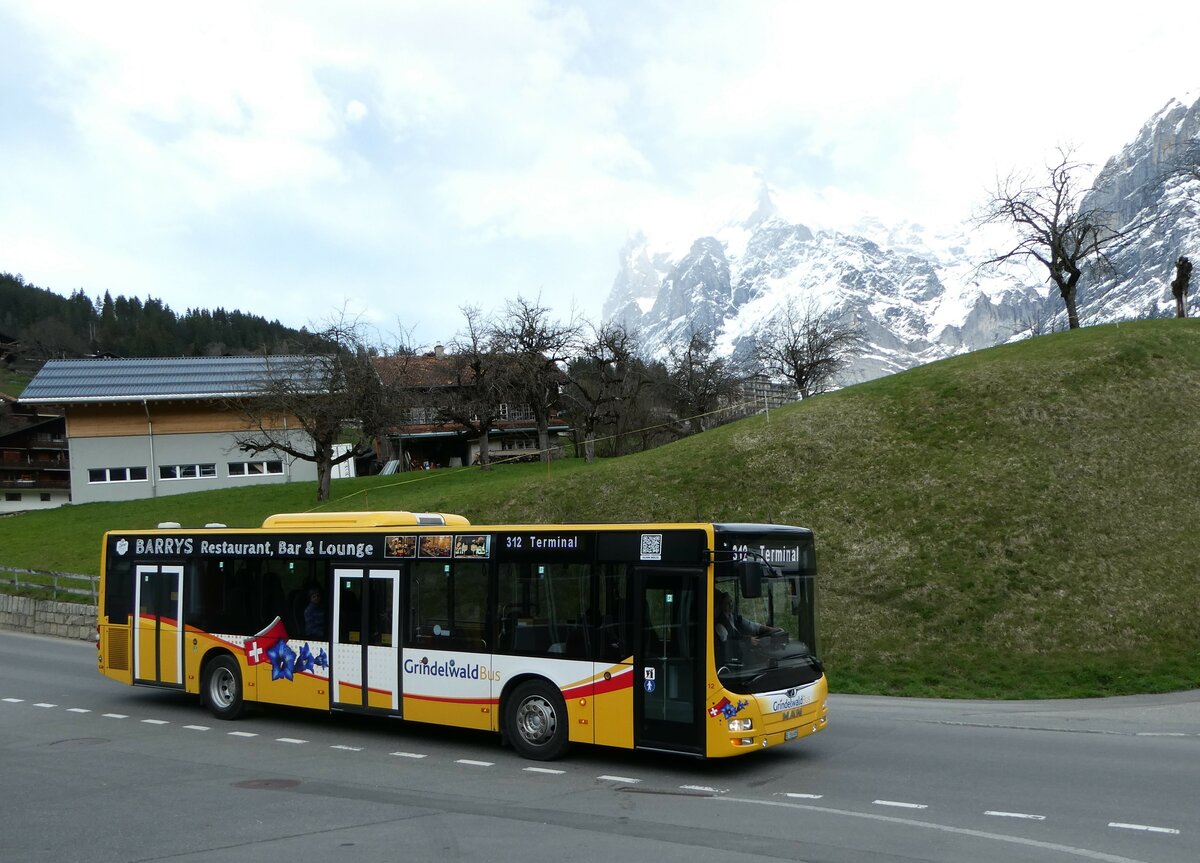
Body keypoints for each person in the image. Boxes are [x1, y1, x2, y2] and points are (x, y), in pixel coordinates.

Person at [714, 590, 781, 648]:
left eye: (731, 601)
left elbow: (752, 626)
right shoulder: (719, 624)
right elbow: (728, 644)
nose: (731, 604)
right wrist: (748, 640)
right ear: (721, 604)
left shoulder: (735, 617)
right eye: (727, 603)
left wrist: (771, 629)